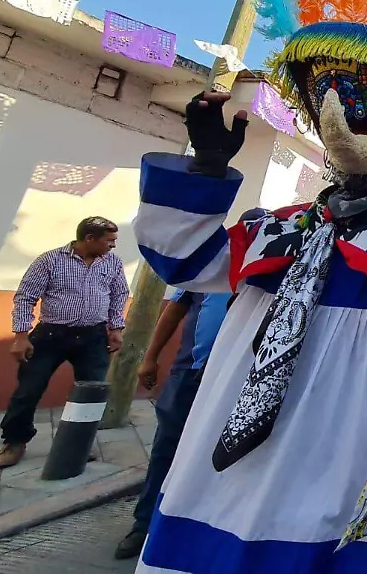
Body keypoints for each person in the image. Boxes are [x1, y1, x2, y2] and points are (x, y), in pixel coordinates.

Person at [132, 13, 367, 570]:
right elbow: (181, 256)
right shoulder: (277, 227)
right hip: (222, 476)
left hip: (336, 464)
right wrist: (207, 170)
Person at [114, 210, 258, 560]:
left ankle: (204, 528)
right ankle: (145, 524)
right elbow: (174, 311)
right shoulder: (210, 267)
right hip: (188, 375)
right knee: (167, 449)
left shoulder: (273, 273)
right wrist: (150, 357)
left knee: (226, 458)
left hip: (238, 383)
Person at [0, 217, 129, 470]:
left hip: (93, 337)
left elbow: (119, 294)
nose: (113, 246)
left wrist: (116, 328)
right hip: (51, 336)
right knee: (28, 390)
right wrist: (21, 337)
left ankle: (77, 443)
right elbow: (25, 297)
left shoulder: (112, 263)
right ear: (89, 238)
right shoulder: (50, 260)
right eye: (109, 241)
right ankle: (14, 441)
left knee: (91, 393)